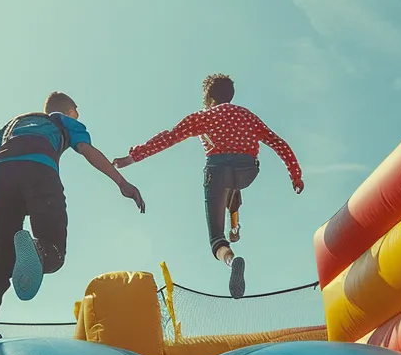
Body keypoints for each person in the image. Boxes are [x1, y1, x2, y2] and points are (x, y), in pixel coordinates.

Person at [0, 91, 145, 350]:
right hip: (39, 169)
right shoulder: (63, 121)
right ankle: (40, 249)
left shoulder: (14, 124)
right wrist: (121, 182)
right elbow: (87, 150)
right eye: (77, 112)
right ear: (69, 110)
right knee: (54, 253)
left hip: (1, 172)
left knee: (0, 259)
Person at [113, 73, 301, 298]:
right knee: (232, 182)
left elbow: (169, 137)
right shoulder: (247, 116)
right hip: (247, 171)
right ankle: (234, 223)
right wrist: (295, 175)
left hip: (218, 170)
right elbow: (277, 142)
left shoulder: (204, 116)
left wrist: (132, 157)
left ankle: (231, 260)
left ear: (209, 98)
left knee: (216, 238)